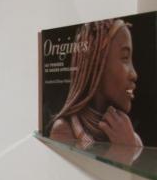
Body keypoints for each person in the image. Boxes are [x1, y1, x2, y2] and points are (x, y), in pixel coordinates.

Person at [50, 19, 141, 149]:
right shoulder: (64, 131)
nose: (134, 74)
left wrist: (130, 144)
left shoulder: (131, 138)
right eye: (125, 58)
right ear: (97, 64)